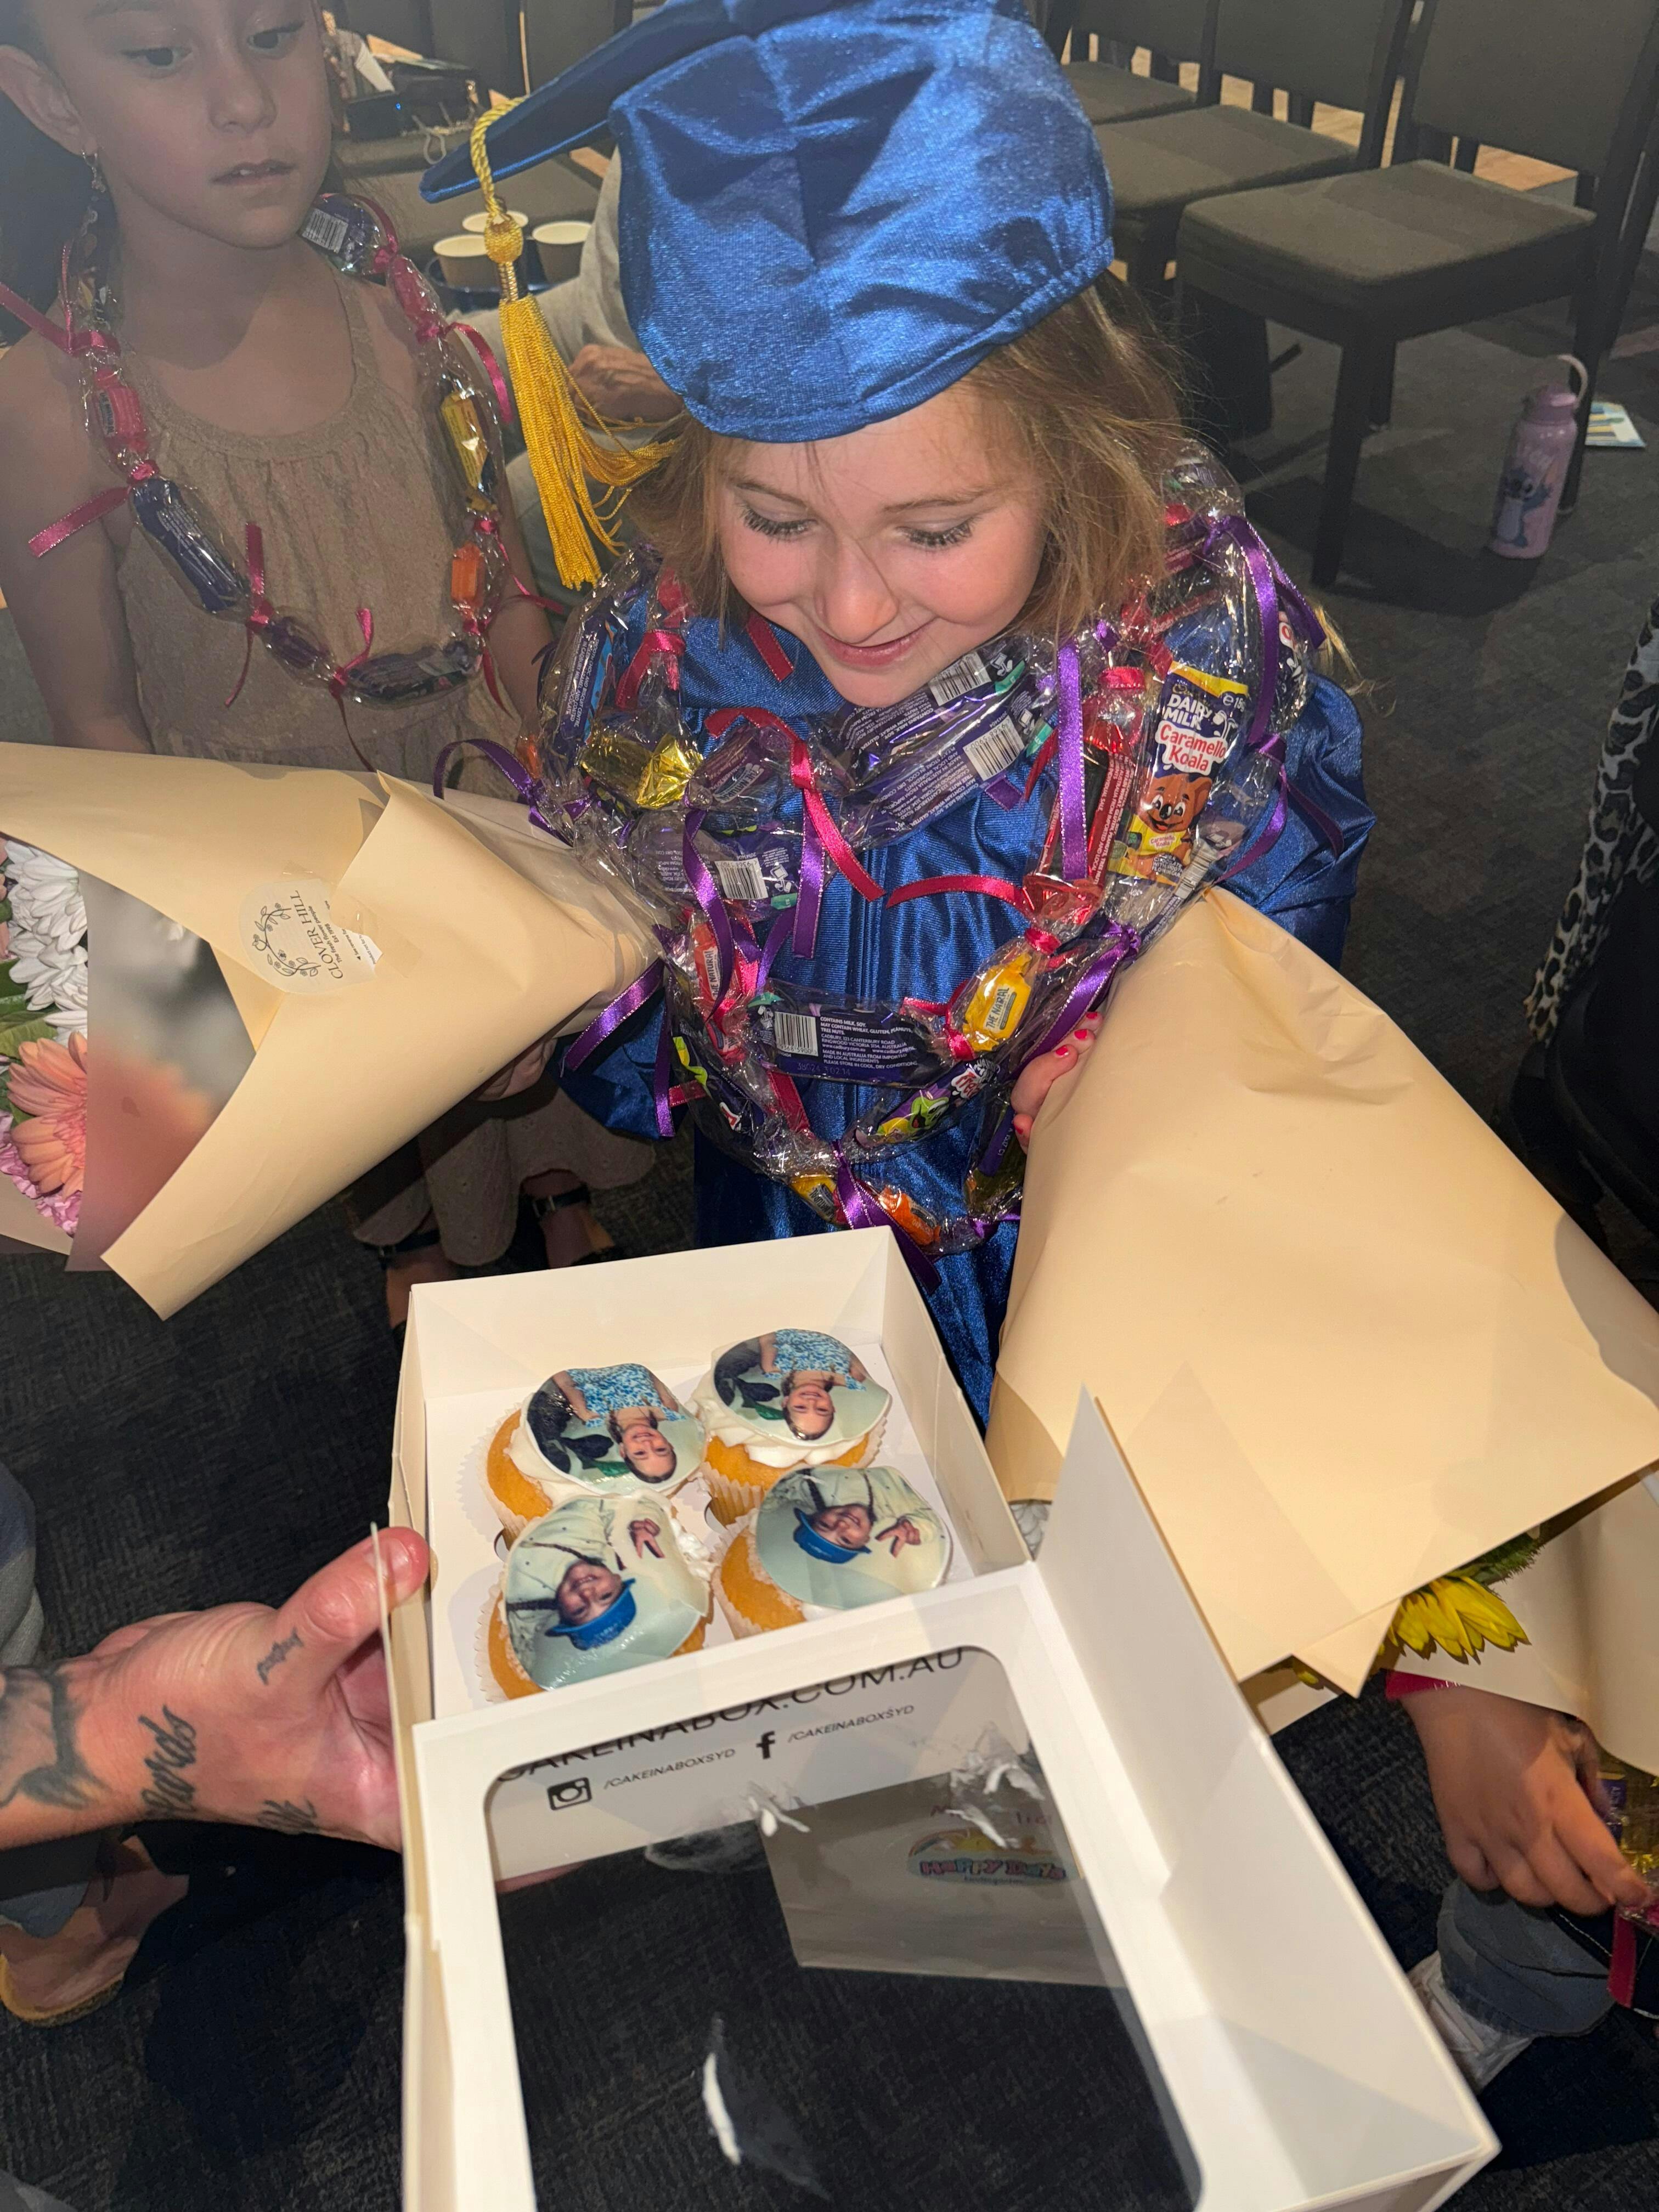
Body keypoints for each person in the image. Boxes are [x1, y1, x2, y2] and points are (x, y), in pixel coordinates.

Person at [424, 0, 1373, 1420]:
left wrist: (1153, 1049)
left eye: (935, 531)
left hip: (1066, 1238)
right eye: (775, 519)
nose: (856, 605)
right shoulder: (664, 654)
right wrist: (555, 996)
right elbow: (629, 916)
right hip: (785, 1237)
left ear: (1074, 453)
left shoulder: (1192, 663)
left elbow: (1279, 913)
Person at [0, 0, 650, 1323]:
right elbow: (100, 733)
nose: (243, 101)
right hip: (289, 855)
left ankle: (551, 1185)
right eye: (160, 56)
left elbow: (486, 553)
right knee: (383, 1090)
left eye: (275, 35)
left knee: (524, 1046)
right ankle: (413, 1231)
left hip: (476, 780)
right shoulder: (46, 407)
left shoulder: (391, 292)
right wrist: (183, 1022)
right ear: (56, 102)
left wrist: (566, 797)